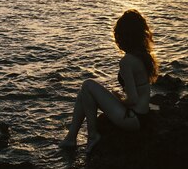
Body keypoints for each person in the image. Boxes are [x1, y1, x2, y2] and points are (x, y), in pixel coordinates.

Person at [59, 9, 159, 153]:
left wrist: (119, 100)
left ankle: (92, 136)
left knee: (87, 85)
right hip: (142, 116)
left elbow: (133, 99)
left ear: (123, 37)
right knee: (84, 94)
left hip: (132, 118)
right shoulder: (144, 57)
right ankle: (70, 138)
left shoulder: (127, 61)